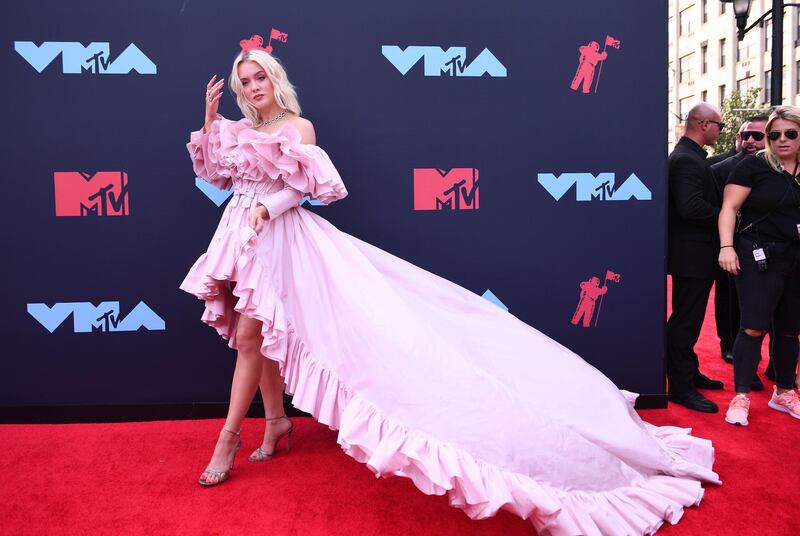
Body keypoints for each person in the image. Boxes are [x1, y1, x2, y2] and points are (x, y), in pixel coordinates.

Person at [181, 43, 719, 535]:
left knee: (256, 336)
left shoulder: (298, 129)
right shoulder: (236, 130)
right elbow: (218, 176)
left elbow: (303, 189)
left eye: (260, 78)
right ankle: (275, 424)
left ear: (275, 80)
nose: (252, 88)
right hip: (239, 238)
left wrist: (264, 209)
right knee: (266, 336)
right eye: (244, 82)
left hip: (283, 242)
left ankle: (229, 438)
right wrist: (210, 122)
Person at [718, 106, 800, 427]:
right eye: (774, 134)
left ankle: (784, 391)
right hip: (758, 255)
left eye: (790, 134)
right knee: (752, 327)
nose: (781, 140)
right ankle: (740, 395)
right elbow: (729, 208)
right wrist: (726, 247)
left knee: (791, 329)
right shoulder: (753, 167)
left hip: (796, 258)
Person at [666, 103, 726, 413]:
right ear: (704, 124)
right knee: (685, 322)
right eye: (720, 125)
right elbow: (689, 208)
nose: (721, 130)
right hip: (691, 255)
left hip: (694, 255)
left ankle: (688, 374)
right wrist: (729, 216)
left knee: (688, 319)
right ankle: (680, 387)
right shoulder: (687, 161)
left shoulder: (690, 157)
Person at [711, 117, 769, 392]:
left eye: (757, 136)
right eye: (745, 135)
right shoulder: (718, 168)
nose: (749, 141)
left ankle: (776, 365)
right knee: (732, 302)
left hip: (775, 251)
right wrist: (725, 245)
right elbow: (717, 209)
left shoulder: (782, 168)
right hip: (731, 249)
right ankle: (730, 348)